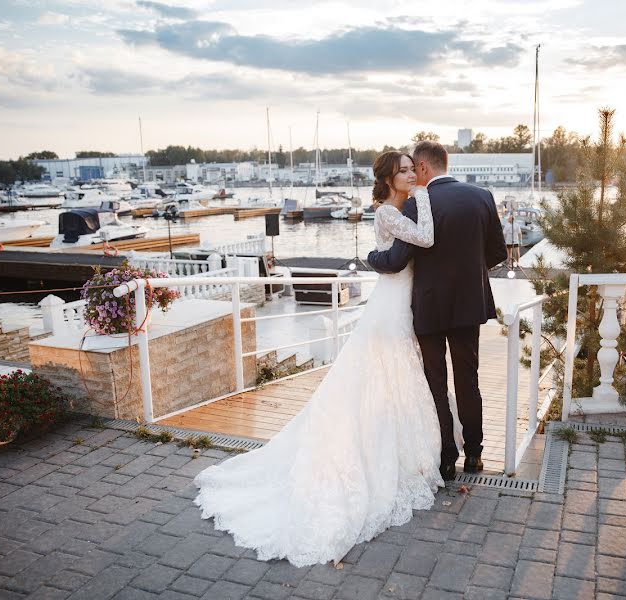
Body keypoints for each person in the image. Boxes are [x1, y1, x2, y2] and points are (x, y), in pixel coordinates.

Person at [193, 152, 443, 567]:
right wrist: (427, 194)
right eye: (403, 170)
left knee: (395, 378)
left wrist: (418, 197)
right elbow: (428, 239)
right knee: (382, 375)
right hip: (390, 308)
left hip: (401, 301)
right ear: (388, 178)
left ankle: (401, 455)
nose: (411, 174)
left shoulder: (402, 208)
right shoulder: (386, 213)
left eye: (412, 169)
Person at [367, 141, 507, 480]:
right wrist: (468, 276)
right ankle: (474, 454)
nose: (413, 174)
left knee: (436, 381)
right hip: (468, 304)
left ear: (424, 168)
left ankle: (447, 458)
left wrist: (371, 258)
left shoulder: (417, 203)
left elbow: (398, 259)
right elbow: (497, 252)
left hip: (428, 305)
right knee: (467, 379)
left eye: (414, 168)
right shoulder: (482, 196)